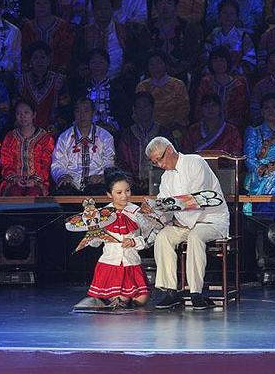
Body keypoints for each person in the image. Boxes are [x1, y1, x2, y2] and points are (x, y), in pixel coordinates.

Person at [148, 136, 229, 310]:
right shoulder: (166, 177)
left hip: (211, 220)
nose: (160, 164)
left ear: (170, 149)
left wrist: (175, 217)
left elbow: (197, 200)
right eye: (155, 162)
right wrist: (154, 210)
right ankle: (170, 291)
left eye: (160, 159)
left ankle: (195, 292)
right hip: (183, 222)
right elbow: (164, 204)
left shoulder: (195, 163)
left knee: (195, 236)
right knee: (163, 237)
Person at [86, 169, 156, 308]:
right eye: (119, 192)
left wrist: (134, 242)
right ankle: (112, 299)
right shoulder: (102, 214)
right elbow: (94, 244)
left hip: (132, 263)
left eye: (127, 191)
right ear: (109, 194)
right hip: (110, 264)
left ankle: (117, 300)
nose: (124, 196)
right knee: (122, 299)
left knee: (141, 300)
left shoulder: (137, 212)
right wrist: (94, 232)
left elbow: (151, 236)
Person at [51, 97, 115, 195]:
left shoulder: (105, 136)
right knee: (64, 191)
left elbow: (109, 162)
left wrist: (102, 177)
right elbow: (58, 163)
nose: (82, 116)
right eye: (78, 111)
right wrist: (63, 176)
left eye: (86, 111)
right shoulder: (65, 137)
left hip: (96, 183)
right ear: (74, 113)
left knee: (98, 191)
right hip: (71, 183)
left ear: (93, 113)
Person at [115, 92, 173, 194]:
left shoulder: (163, 133)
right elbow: (121, 161)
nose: (143, 110)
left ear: (152, 108)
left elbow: (171, 159)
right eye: (139, 107)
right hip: (132, 185)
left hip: (160, 183)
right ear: (134, 110)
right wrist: (130, 179)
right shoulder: (127, 134)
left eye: (146, 106)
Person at [0, 100, 55, 197]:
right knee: (14, 194)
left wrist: (35, 180)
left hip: (38, 183)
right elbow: (6, 163)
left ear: (34, 115)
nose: (22, 116)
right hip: (14, 182)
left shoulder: (45, 138)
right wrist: (15, 179)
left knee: (33, 195)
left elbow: (47, 164)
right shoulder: (10, 137)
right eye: (18, 113)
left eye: (26, 112)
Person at [71, 48, 132, 136]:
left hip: (111, 130)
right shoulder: (82, 88)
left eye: (101, 62)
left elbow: (123, 112)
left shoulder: (116, 88)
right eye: (94, 62)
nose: (97, 66)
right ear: (89, 65)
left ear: (108, 65)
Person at [148, 0, 203, 80]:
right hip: (153, 72)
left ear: (176, 6)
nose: (165, 7)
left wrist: (178, 69)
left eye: (169, 2)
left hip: (180, 72)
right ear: (156, 6)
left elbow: (192, 55)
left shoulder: (187, 27)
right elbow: (145, 53)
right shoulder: (148, 27)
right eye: (161, 2)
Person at [194, 47, 249, 130]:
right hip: (207, 127)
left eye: (222, 60)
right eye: (215, 60)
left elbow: (241, 113)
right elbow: (199, 107)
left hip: (232, 130)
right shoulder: (206, 82)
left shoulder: (238, 85)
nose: (218, 64)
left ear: (227, 62)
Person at [19, 41, 69, 133]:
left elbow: (65, 109)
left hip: (52, 130)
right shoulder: (22, 81)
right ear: (30, 62)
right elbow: (17, 108)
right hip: (27, 130)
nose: (39, 61)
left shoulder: (59, 81)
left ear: (48, 61)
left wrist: (56, 126)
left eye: (43, 57)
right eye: (35, 58)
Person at [21, 0, 75, 74]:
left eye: (45, 3)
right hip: (32, 73)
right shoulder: (27, 27)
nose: (41, 6)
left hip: (59, 73)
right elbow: (24, 52)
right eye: (38, 3)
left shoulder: (63, 26)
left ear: (51, 5)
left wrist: (62, 70)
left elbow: (67, 52)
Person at [135, 51, 190, 135]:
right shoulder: (142, 86)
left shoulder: (178, 84)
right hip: (149, 130)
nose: (156, 67)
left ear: (165, 64)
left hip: (174, 129)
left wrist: (171, 125)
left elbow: (184, 108)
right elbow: (137, 110)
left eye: (159, 63)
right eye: (152, 64)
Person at [203, 0, 257, 75]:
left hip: (236, 75)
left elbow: (251, 58)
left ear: (237, 17)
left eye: (232, 13)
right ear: (219, 15)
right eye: (224, 13)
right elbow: (205, 56)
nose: (228, 16)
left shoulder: (243, 36)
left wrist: (237, 71)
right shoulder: (213, 35)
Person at [81, 0, 127, 79]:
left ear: (113, 10)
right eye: (99, 9)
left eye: (106, 9)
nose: (103, 12)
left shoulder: (124, 31)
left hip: (119, 80)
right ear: (93, 10)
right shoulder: (84, 32)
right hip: (90, 80)